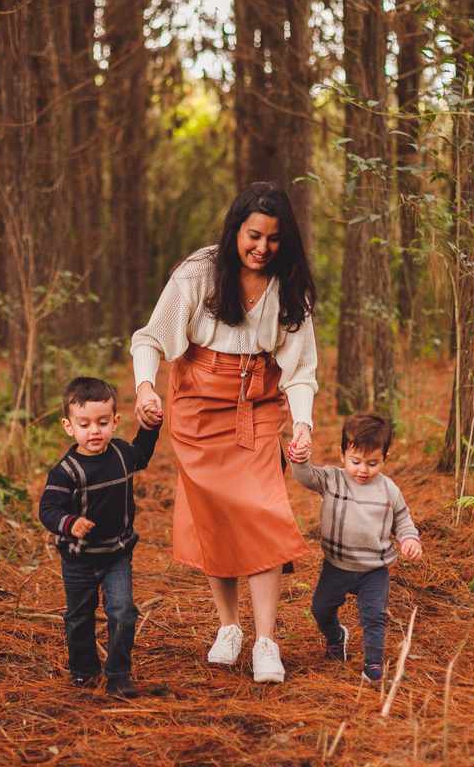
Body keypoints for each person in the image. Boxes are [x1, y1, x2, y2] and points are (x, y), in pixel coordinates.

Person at [131, 181, 317, 683]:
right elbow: (150, 339)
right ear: (236, 229)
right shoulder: (199, 273)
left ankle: (266, 642)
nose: (262, 248)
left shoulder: (290, 286)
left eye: (273, 238)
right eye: (253, 236)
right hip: (197, 407)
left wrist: (302, 422)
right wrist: (145, 388)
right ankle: (229, 627)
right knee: (214, 515)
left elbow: (301, 370)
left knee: (262, 513)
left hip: (257, 405)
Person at [38, 377, 160, 699]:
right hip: (78, 560)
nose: (94, 431)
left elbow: (142, 453)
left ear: (114, 422)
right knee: (79, 616)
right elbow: (48, 509)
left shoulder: (120, 454)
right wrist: (70, 523)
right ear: (69, 426)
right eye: (85, 424)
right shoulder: (66, 471)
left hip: (116, 555)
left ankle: (118, 675)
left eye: (102, 423)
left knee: (123, 611)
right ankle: (83, 671)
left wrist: (150, 426)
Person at [288, 410, 423, 682]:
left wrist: (409, 538)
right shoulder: (332, 479)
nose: (363, 470)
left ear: (385, 459)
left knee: (374, 616)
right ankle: (335, 636)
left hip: (374, 570)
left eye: (373, 463)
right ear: (342, 455)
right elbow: (306, 477)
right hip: (336, 566)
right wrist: (300, 459)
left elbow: (402, 518)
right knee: (321, 609)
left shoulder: (388, 489)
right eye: (356, 461)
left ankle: (373, 665)